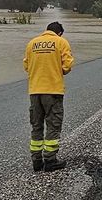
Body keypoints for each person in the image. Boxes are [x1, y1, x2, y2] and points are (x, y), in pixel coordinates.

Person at [24, 21, 74, 171]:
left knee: (36, 125)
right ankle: (50, 161)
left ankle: (37, 161)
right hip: (53, 91)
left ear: (46, 30)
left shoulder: (32, 44)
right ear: (59, 33)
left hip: (34, 91)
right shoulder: (61, 42)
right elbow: (67, 66)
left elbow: (26, 66)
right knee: (53, 124)